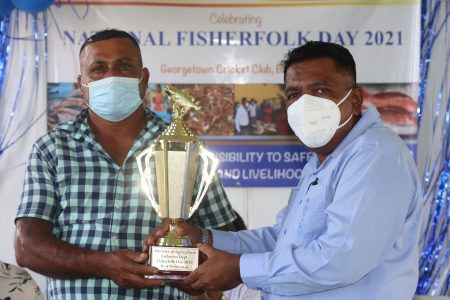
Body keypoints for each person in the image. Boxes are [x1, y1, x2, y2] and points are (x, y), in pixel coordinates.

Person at [147, 41, 423, 299]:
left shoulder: (376, 154)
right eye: (294, 94)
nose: (305, 104)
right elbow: (283, 240)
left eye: (321, 90)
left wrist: (239, 269)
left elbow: (340, 259)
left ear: (355, 100)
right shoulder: (322, 160)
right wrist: (207, 238)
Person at [14, 29, 236, 299]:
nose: (112, 77)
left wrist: (184, 267)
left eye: (124, 66)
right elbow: (28, 248)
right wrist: (105, 265)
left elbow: (227, 242)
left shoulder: (184, 147)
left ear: (144, 79)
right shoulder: (52, 148)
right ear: (81, 83)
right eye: (98, 69)